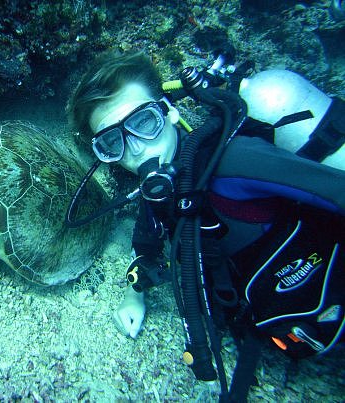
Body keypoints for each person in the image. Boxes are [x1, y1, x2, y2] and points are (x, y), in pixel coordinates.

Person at [66, 50, 345, 401]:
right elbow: (147, 239)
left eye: (144, 122)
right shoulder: (160, 190)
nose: (135, 148)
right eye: (112, 142)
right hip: (271, 321)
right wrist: (133, 296)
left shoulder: (236, 161)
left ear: (169, 112)